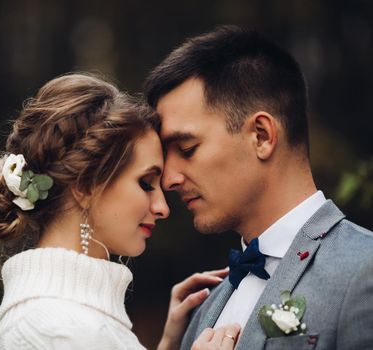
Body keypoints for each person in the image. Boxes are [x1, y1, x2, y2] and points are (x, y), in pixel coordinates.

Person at [0, 73, 239, 350]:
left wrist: (168, 343)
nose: (162, 208)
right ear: (85, 186)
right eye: (145, 183)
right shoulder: (55, 329)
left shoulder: (68, 321)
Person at [145, 25, 373, 350]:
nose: (168, 180)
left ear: (262, 136)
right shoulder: (201, 309)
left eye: (187, 149)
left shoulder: (364, 271)